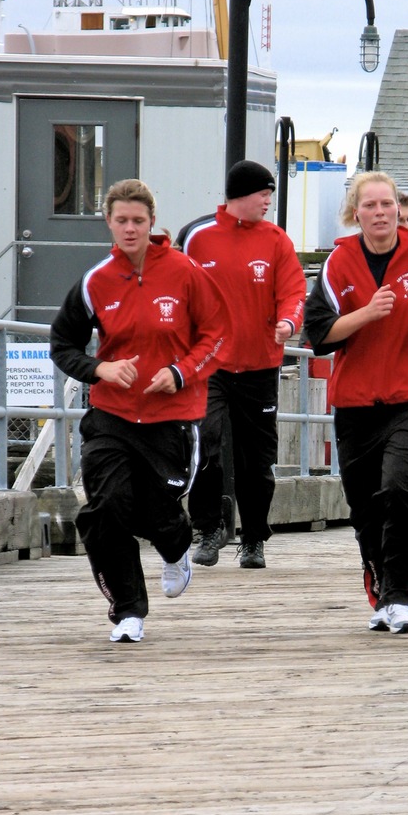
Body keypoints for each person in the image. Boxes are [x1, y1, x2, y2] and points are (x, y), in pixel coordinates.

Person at [50, 178, 230, 643]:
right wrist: (100, 369)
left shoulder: (186, 271)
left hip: (172, 417)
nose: (130, 229)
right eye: (121, 220)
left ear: (152, 222)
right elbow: (62, 344)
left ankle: (175, 547)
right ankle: (127, 610)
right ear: (108, 222)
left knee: (155, 511)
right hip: (112, 416)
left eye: (138, 220)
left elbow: (218, 334)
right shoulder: (95, 282)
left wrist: (180, 371)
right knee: (106, 508)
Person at [304, 171, 408, 634]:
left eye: (387, 205)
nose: (380, 213)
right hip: (356, 403)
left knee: (400, 488)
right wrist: (365, 313)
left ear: (399, 210)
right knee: (366, 508)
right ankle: (379, 585)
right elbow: (318, 336)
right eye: (370, 205)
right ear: (354, 213)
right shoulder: (337, 266)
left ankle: (402, 597)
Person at [177, 160, 307, 569]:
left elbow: (293, 291)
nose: (269, 200)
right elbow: (174, 287)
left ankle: (254, 537)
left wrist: (288, 320)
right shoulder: (197, 238)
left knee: (256, 460)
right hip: (209, 367)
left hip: (259, 366)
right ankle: (209, 528)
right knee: (205, 445)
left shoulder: (276, 240)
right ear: (240, 195)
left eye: (270, 193)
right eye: (263, 193)